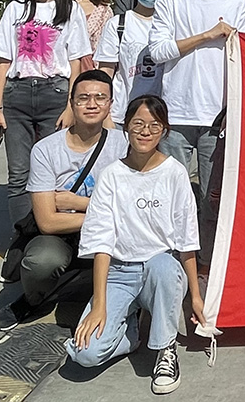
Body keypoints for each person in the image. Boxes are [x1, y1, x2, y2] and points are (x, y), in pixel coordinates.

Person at [66, 95, 204, 396]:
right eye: (138, 124)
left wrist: (195, 296)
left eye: (154, 126)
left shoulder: (175, 173)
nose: (145, 132)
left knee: (163, 265)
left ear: (164, 131)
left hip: (161, 270)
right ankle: (131, 332)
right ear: (126, 126)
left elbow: (187, 240)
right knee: (84, 354)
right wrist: (99, 305)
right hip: (119, 273)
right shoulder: (111, 176)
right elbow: (102, 242)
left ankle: (165, 349)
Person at [0, 70, 130, 331]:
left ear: (111, 104)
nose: (92, 104)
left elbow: (131, 207)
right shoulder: (46, 149)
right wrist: (107, 212)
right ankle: (35, 299)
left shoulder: (124, 144)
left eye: (100, 98)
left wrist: (78, 203)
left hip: (107, 233)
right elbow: (48, 222)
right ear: (71, 102)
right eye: (84, 98)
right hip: (62, 235)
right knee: (42, 261)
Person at [148, 0, 245, 246]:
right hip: (176, 113)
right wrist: (207, 35)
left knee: (213, 200)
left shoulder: (236, 3)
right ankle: (173, 258)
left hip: (217, 115)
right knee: (173, 198)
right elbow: (158, 51)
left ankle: (207, 262)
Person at [0, 0, 91, 225]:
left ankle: (50, 230)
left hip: (54, 95)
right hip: (17, 95)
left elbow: (75, 63)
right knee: (18, 172)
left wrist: (71, 106)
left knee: (53, 171)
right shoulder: (15, 9)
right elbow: (4, 61)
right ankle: (22, 235)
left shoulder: (70, 10)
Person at [94, 0, 171, 127]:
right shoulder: (118, 24)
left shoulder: (174, 25)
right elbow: (106, 71)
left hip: (162, 115)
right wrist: (105, 114)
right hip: (121, 114)